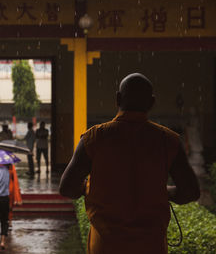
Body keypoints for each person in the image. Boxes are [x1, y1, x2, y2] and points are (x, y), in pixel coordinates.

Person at [59, 73, 200, 254]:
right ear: (152, 103)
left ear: (118, 99)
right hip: (151, 246)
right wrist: (165, 191)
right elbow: (190, 192)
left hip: (106, 246)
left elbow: (67, 188)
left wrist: (90, 186)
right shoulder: (167, 140)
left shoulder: (95, 138)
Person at [6, 164, 22, 228]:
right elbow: (14, 178)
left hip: (3, 188)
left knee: (3, 206)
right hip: (11, 188)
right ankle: (10, 221)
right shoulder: (11, 166)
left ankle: (5, 221)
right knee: (10, 206)